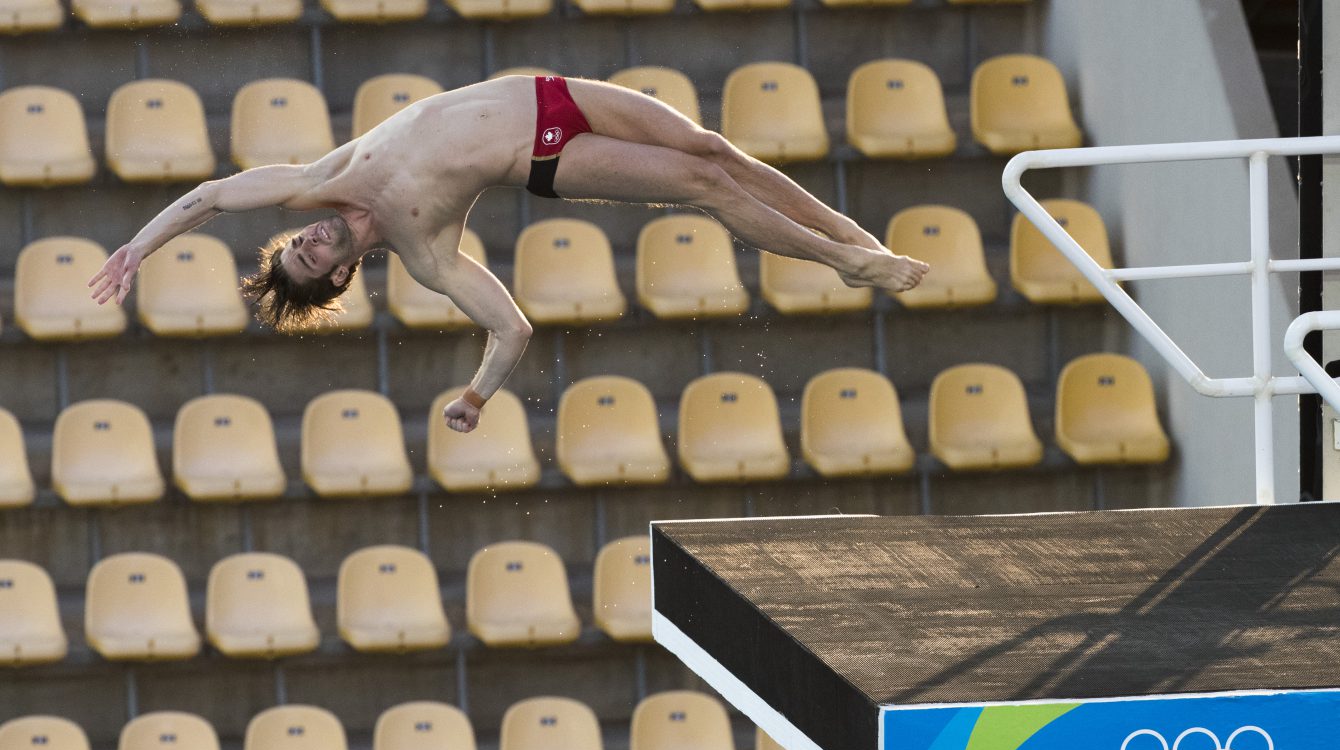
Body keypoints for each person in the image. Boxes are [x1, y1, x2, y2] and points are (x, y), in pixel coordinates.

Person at [89, 74, 930, 433]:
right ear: (342, 274)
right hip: (546, 156)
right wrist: (477, 398)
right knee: (706, 188)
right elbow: (511, 327)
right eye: (313, 258)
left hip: (544, 91)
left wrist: (137, 245)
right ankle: (842, 263)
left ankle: (857, 242)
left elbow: (208, 198)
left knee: (718, 150)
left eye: (298, 244)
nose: (308, 239)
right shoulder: (423, 250)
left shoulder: (322, 178)